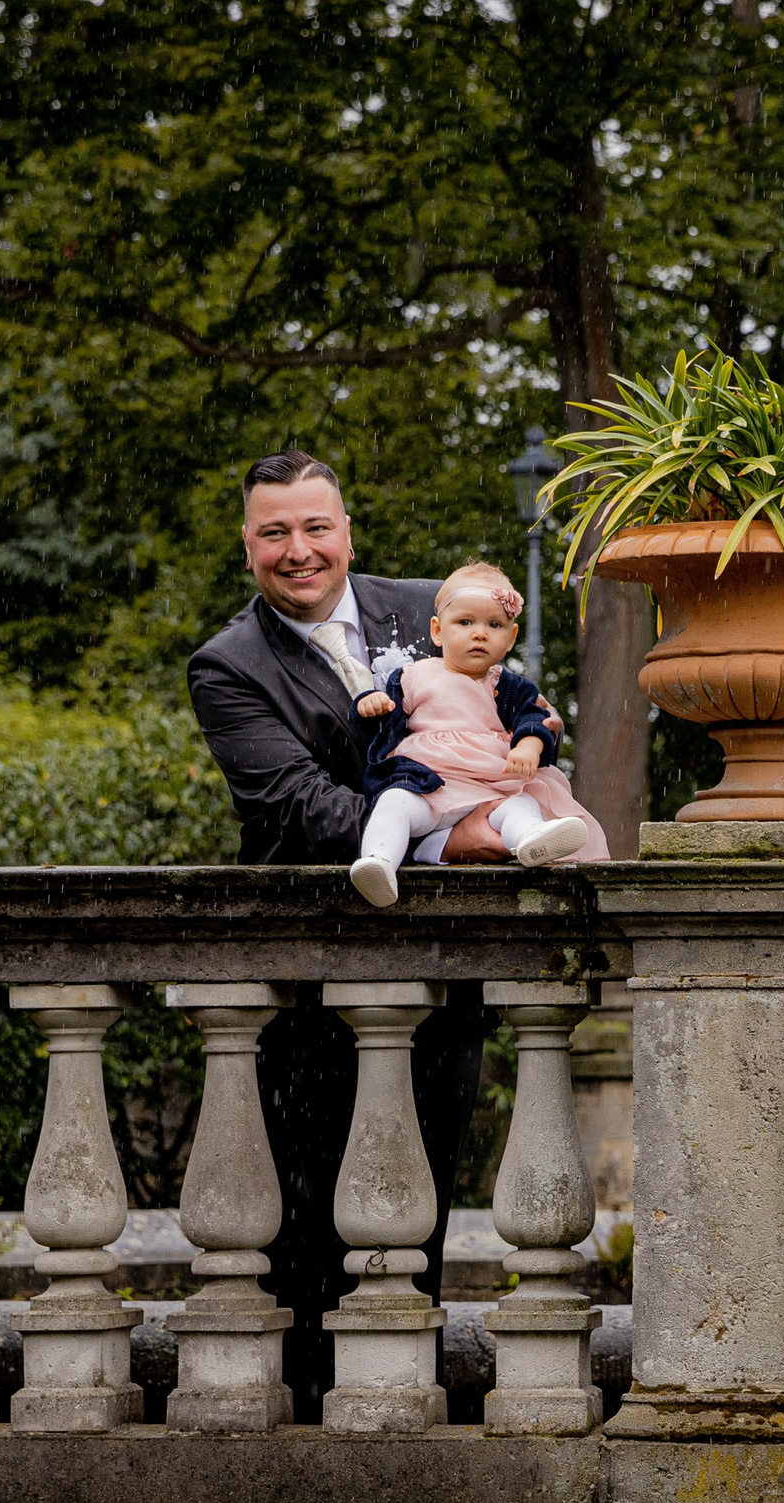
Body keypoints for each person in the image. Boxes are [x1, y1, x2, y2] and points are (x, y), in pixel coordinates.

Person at [185, 450, 559, 1420]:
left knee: (420, 1213)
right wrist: (460, 829)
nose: (299, 551)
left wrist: (519, 783)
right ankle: (309, 1443)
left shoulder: (435, 607)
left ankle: (406, 1423)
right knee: (303, 1236)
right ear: (248, 546)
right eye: (275, 532)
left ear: (346, 530)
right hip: (305, 997)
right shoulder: (228, 667)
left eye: (316, 527)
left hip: (437, 985)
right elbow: (299, 806)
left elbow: (506, 721)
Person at [347, 562, 607, 905]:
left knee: (520, 804)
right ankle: (378, 863)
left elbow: (533, 719)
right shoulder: (412, 676)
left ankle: (530, 838)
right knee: (394, 803)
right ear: (438, 631)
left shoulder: (509, 686)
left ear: (512, 637)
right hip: (428, 784)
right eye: (465, 622)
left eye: (494, 624)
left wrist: (528, 746)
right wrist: (369, 703)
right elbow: (384, 721)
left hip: (488, 787)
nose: (480, 633)